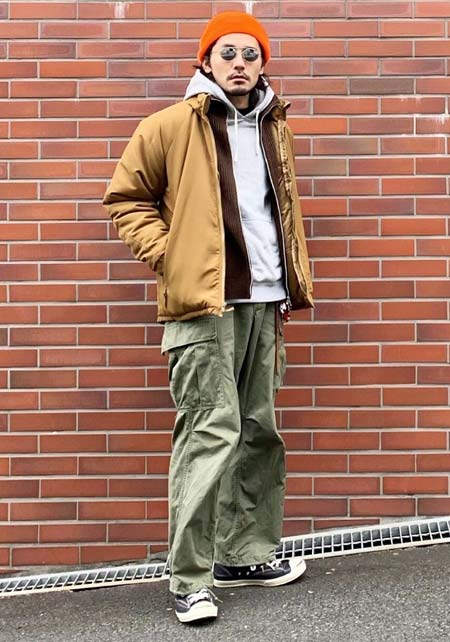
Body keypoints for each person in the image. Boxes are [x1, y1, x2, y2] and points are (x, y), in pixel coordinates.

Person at [103, 11, 314, 624]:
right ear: (206, 61)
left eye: (250, 54)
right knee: (209, 433)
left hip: (265, 301)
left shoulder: (274, 125)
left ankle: (243, 555)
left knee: (257, 430)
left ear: (263, 63)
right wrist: (172, 258)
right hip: (204, 306)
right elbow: (125, 198)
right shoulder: (170, 125)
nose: (239, 64)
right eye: (228, 53)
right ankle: (189, 579)